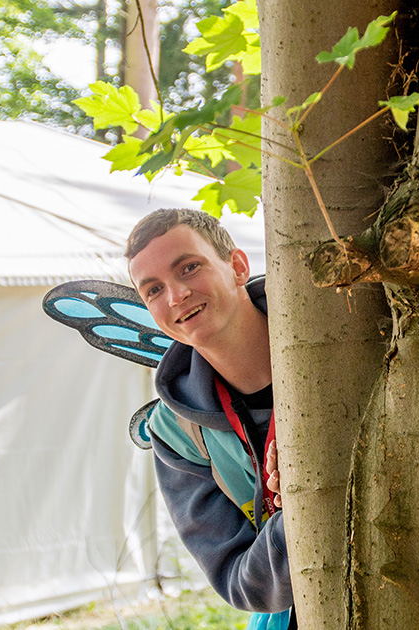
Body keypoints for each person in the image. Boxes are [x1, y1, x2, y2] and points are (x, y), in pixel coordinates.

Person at [125, 208, 294, 630]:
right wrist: (298, 514)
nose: (176, 295)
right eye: (153, 290)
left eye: (189, 267)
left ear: (237, 266)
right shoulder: (174, 433)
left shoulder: (346, 336)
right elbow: (240, 584)